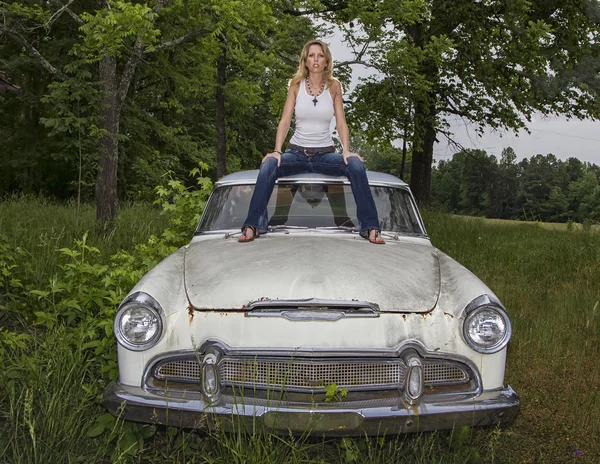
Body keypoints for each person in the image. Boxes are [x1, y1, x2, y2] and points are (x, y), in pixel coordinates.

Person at [239, 39, 384, 244]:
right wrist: (277, 151)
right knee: (269, 164)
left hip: (325, 155)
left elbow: (341, 122)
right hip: (296, 153)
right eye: (311, 55)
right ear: (305, 61)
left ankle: (370, 227)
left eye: (320, 55)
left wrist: (347, 150)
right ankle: (253, 224)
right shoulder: (295, 85)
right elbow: (285, 120)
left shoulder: (334, 87)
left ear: (326, 61)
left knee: (356, 165)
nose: (316, 59)